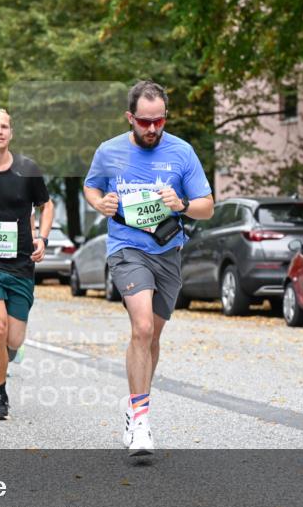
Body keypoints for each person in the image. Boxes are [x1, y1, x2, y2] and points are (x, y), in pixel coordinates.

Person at [83, 80, 214, 456]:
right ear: (130, 118)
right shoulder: (108, 151)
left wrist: (182, 203)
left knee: (152, 337)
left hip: (167, 249)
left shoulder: (182, 152)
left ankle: (134, 405)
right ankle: (141, 423)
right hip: (127, 246)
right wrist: (100, 204)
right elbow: (91, 187)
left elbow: (207, 206)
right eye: (145, 122)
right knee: (140, 327)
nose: (153, 129)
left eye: (159, 121)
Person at [0, 108, 53, 420]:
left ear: (11, 133)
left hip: (19, 262)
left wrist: (42, 238)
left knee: (13, 338)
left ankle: (5, 357)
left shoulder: (27, 168)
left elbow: (46, 205)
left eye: (4, 126)